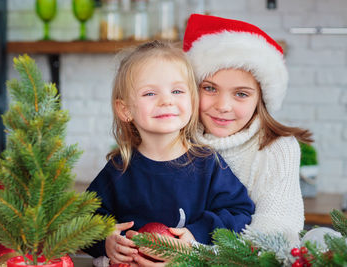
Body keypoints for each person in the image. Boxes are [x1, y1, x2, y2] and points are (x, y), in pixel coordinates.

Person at [83, 40, 255, 266]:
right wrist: (106, 240)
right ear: (125, 109)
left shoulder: (207, 164)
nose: (166, 100)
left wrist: (196, 235)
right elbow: (82, 220)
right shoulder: (119, 168)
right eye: (150, 93)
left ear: (192, 101)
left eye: (176, 90)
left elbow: (240, 211)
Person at [181, 14, 313, 247]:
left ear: (261, 99)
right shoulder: (172, 141)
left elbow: (274, 239)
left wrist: (189, 253)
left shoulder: (278, 149)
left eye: (241, 93)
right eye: (210, 88)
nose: (223, 106)